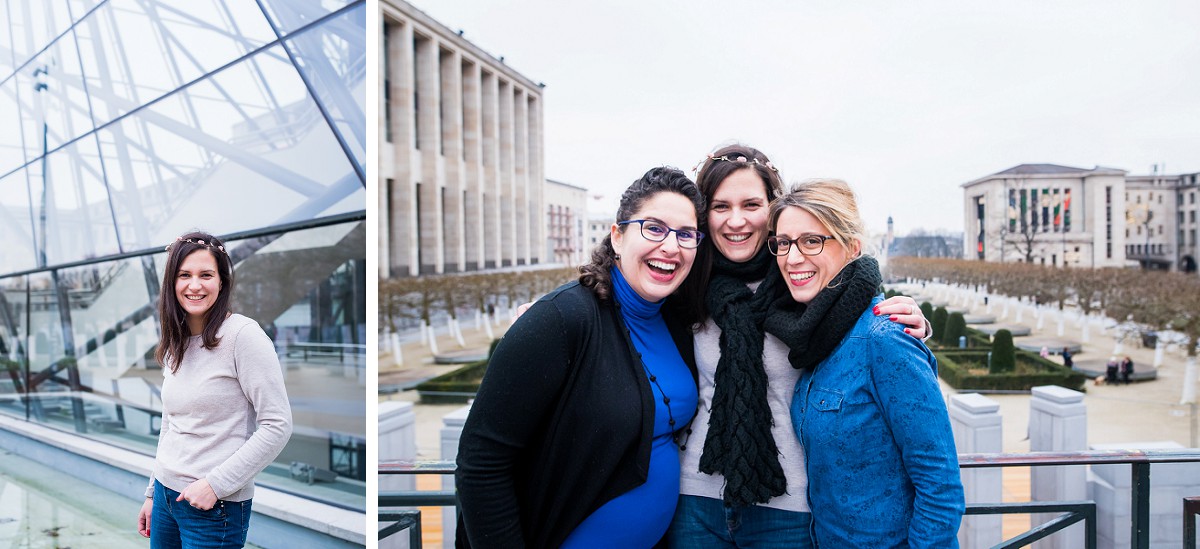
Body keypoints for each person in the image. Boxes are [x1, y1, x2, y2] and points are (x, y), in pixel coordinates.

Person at [668, 144, 930, 548]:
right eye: (721, 206)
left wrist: (914, 324)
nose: (736, 220)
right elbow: (622, 315)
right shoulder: (686, 284)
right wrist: (540, 313)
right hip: (694, 498)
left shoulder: (804, 279)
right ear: (705, 214)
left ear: (772, 208)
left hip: (787, 505)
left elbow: (874, 346)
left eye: (751, 204)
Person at [455, 167, 705, 548]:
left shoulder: (674, 318)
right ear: (617, 236)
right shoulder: (563, 318)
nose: (671, 246)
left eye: (685, 234)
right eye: (654, 228)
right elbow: (481, 461)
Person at [766, 179, 964, 547]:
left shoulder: (884, 339)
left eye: (812, 241)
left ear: (851, 247)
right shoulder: (814, 337)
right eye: (783, 242)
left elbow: (940, 487)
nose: (792, 258)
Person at [137, 232, 292, 549]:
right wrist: (153, 492)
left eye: (206, 275)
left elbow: (277, 424)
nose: (195, 285)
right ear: (172, 283)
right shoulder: (175, 341)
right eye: (185, 275)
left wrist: (215, 485)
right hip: (167, 497)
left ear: (221, 282)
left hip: (212, 505)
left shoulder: (243, 336)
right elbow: (171, 424)